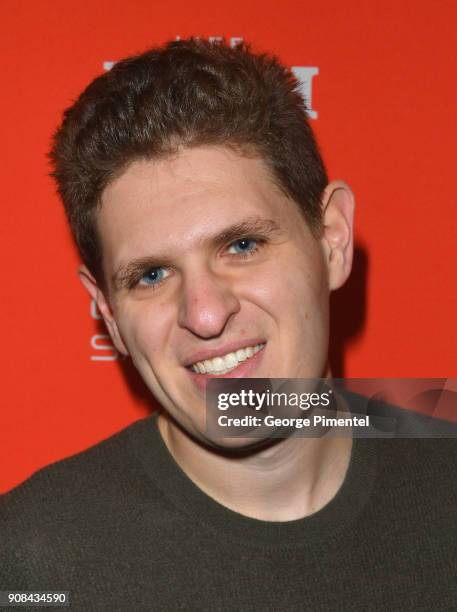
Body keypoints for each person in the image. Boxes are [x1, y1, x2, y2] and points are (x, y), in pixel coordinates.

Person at [1, 38, 455, 611]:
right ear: (109, 314)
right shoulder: (29, 563)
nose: (207, 315)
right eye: (151, 275)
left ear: (332, 240)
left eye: (242, 245)